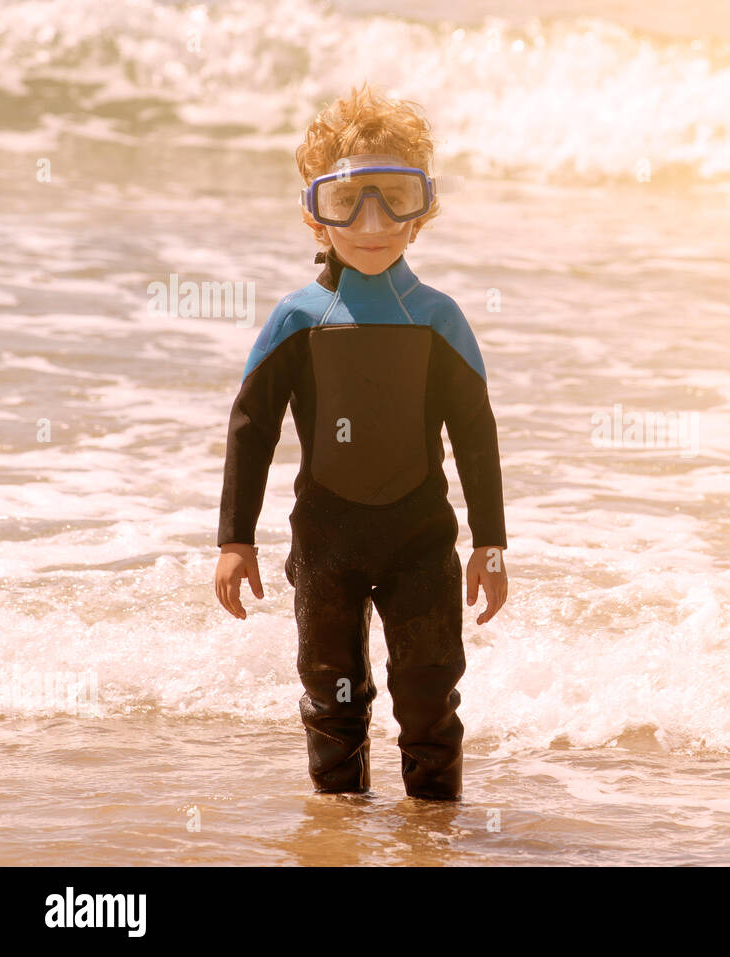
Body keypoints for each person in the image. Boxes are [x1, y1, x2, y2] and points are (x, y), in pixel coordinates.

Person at [212, 84, 508, 800]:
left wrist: (490, 542)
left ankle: (433, 833)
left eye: (394, 198)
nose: (372, 222)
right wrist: (235, 539)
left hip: (421, 541)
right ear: (317, 214)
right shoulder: (298, 319)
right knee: (332, 701)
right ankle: (336, 834)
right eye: (349, 202)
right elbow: (251, 427)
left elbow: (476, 434)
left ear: (422, 209)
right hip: (327, 543)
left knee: (430, 697)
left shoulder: (440, 320)